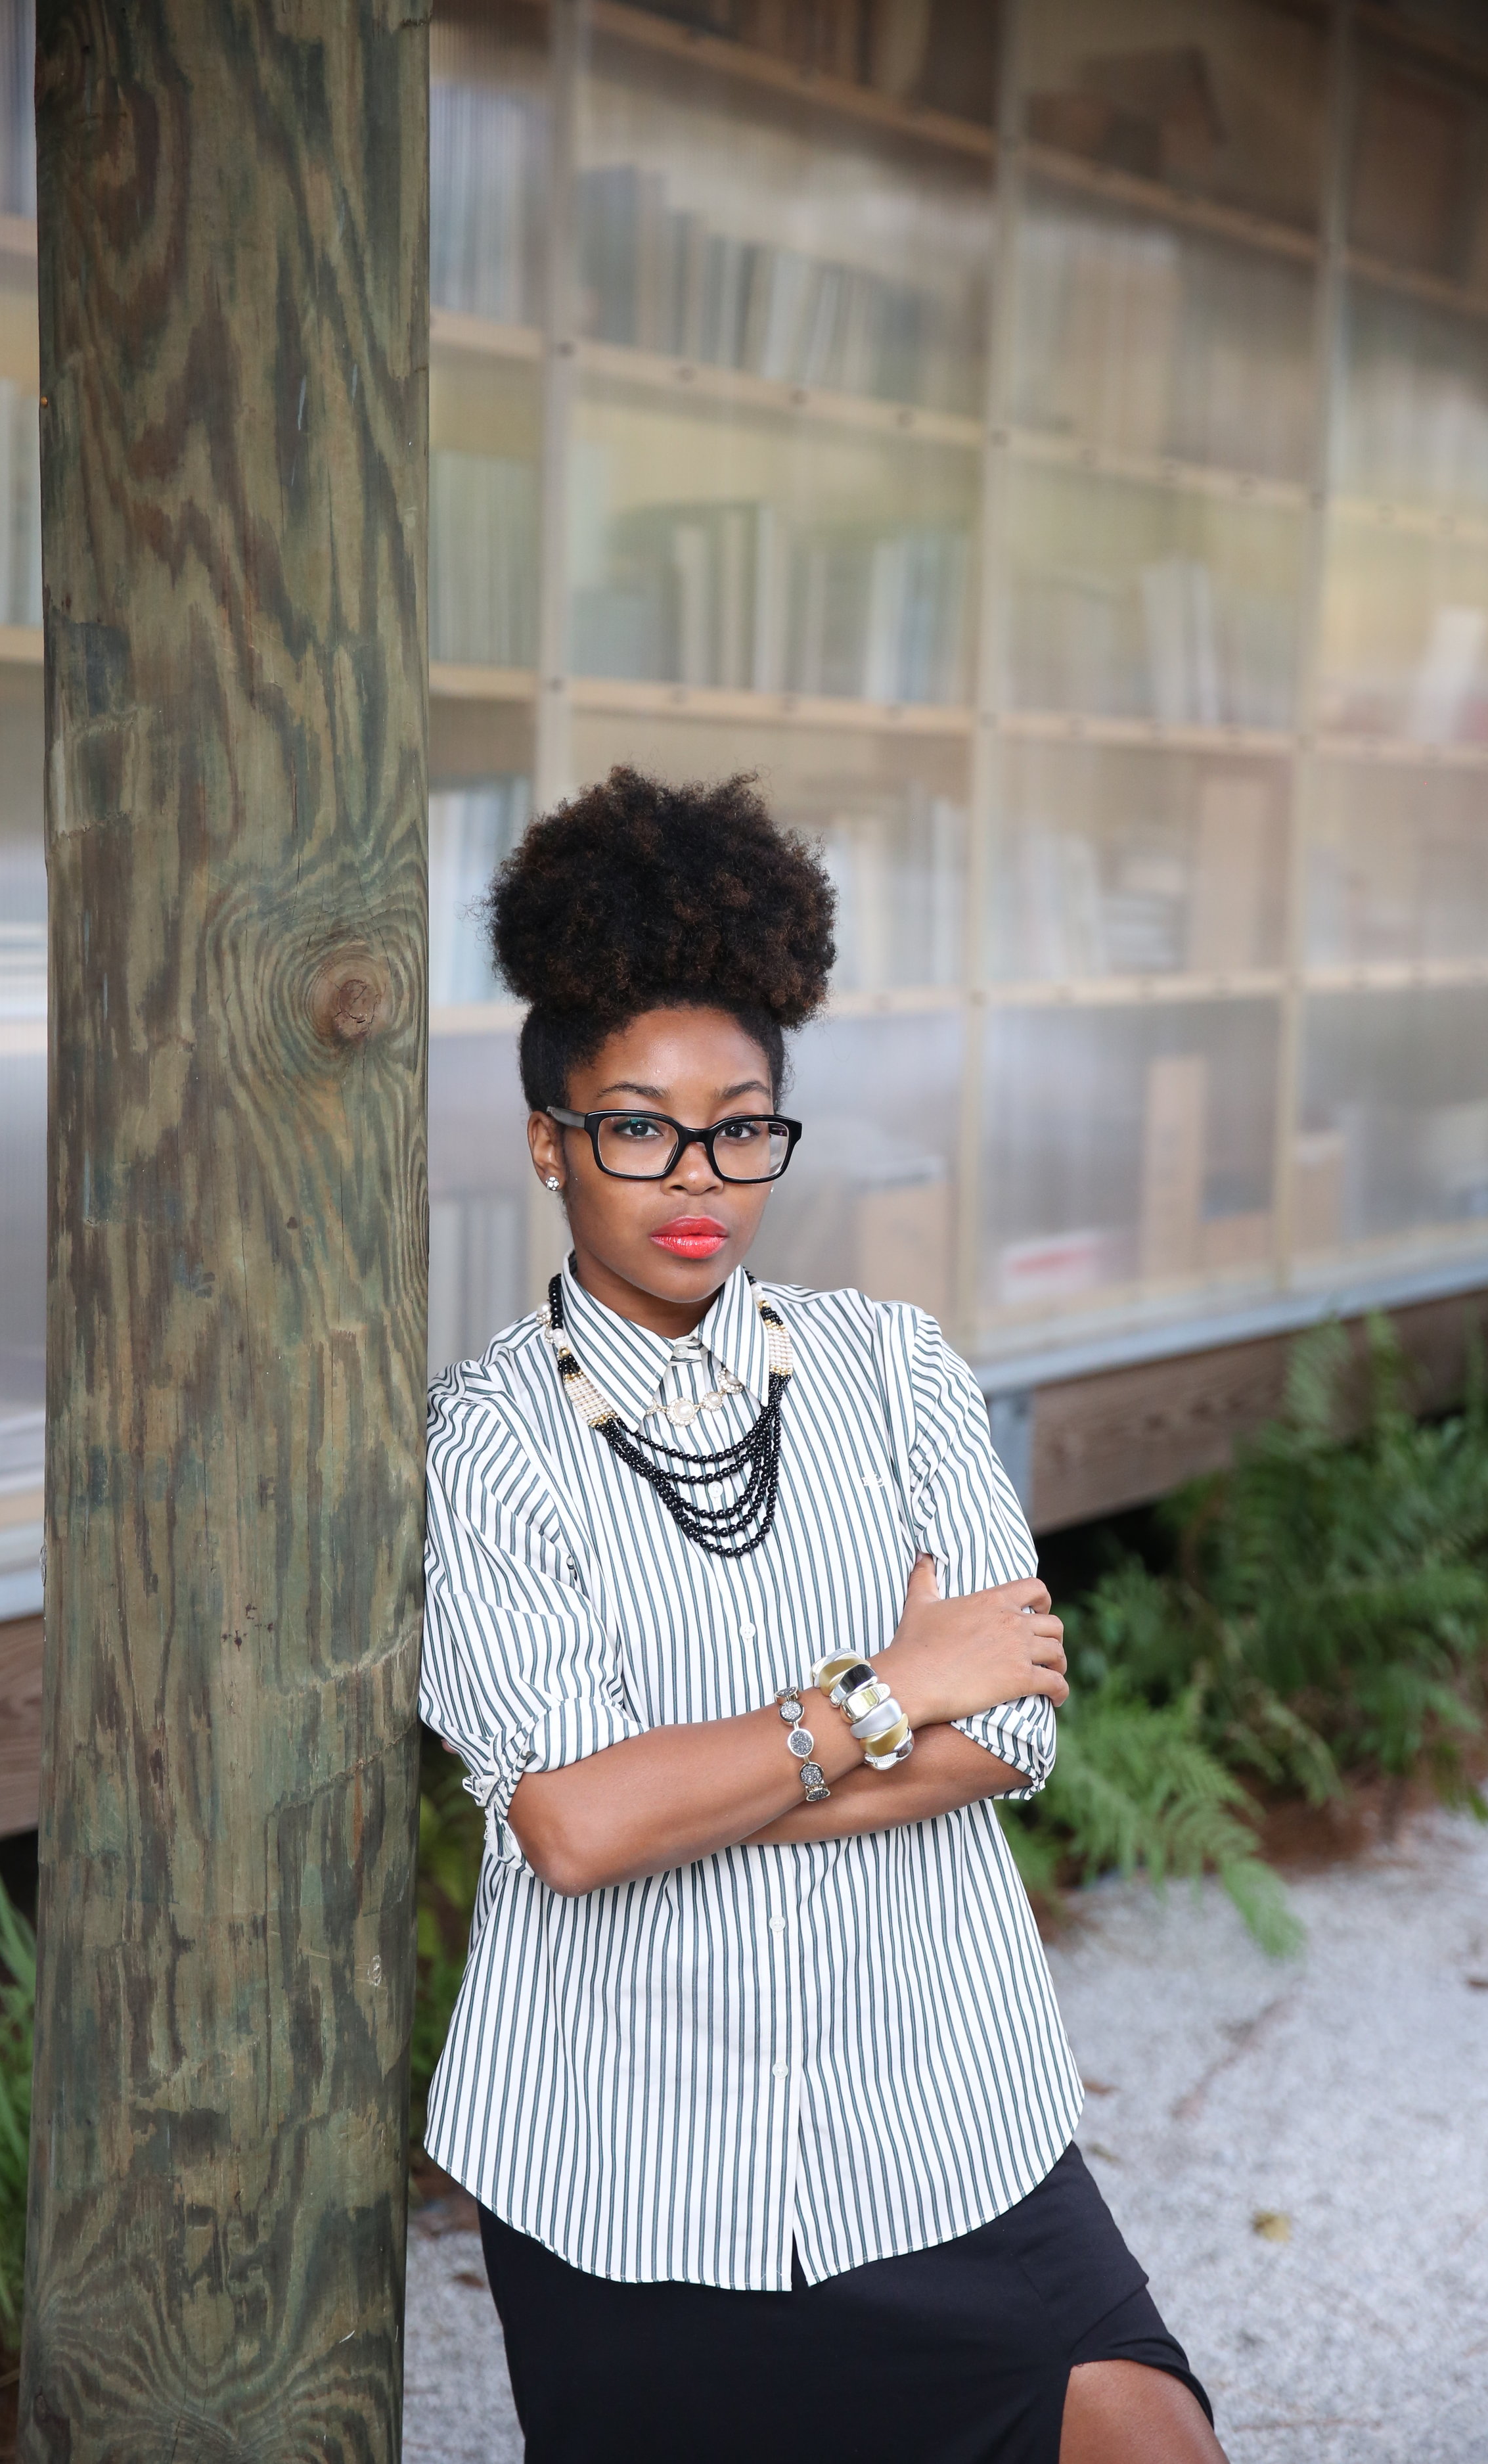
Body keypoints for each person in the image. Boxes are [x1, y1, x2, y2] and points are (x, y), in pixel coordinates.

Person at [419, 765, 1227, 2463]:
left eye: (740, 1124)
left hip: (943, 2118)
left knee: (1148, 2435)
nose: (696, 1174)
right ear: (549, 1142)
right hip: (629, 2166)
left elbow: (1008, 1722)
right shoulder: (489, 1440)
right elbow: (572, 1829)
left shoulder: (894, 1366)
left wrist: (696, 1791)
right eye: (636, 1125)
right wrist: (888, 1692)